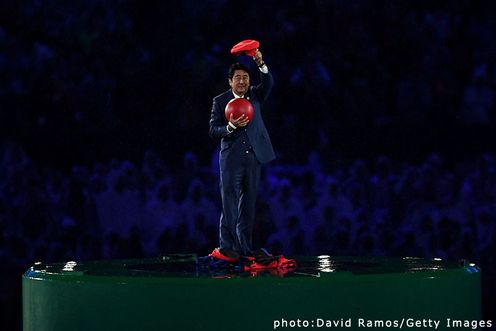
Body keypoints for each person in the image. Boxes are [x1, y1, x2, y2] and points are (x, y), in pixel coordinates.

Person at [209, 49, 274, 256]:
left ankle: (244, 248)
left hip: (253, 157)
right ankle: (227, 248)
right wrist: (230, 127)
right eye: (238, 78)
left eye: (245, 78)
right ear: (230, 81)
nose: (242, 81)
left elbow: (269, 84)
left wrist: (260, 63)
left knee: (248, 204)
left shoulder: (255, 94)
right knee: (229, 202)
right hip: (231, 159)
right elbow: (213, 130)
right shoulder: (220, 101)